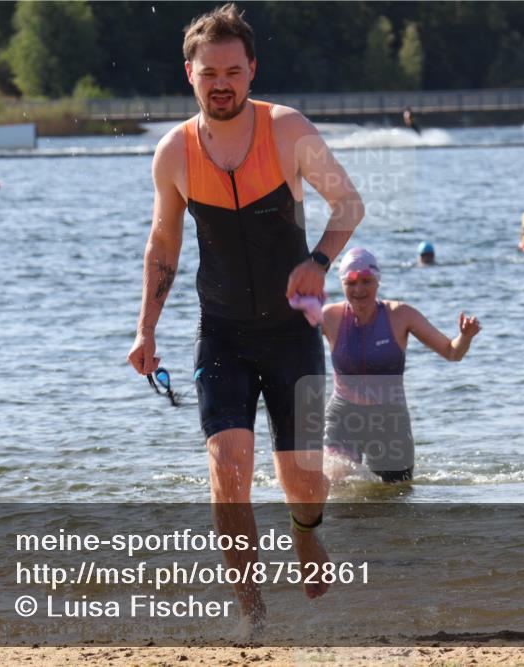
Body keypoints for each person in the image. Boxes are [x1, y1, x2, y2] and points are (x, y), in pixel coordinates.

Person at [125, 4, 364, 632]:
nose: (222, 82)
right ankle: (253, 615)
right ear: (190, 74)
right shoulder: (174, 152)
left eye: (234, 69)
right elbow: (164, 244)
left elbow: (348, 204)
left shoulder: (287, 130)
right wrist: (146, 329)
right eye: (210, 73)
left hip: (292, 335)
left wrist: (317, 260)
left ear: (252, 70)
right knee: (228, 471)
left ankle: (307, 534)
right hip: (222, 334)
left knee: (303, 481)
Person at [320, 248, 481, 483]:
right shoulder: (329, 317)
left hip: (390, 419)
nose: (359, 289)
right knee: (336, 490)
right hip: (343, 417)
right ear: (342, 283)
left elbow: (451, 352)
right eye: (351, 282)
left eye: (366, 281)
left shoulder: (400, 315)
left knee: (395, 499)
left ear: (378, 281)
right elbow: (293, 349)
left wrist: (465, 337)